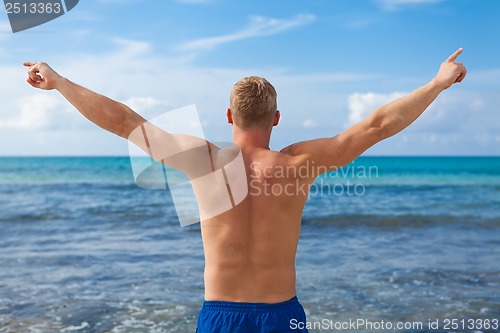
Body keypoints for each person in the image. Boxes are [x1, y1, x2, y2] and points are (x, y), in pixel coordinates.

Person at [24, 48, 466, 333]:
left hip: (220, 316)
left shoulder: (203, 161)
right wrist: (437, 82)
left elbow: (124, 122)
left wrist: (60, 82)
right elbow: (377, 126)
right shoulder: (299, 164)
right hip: (282, 315)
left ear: (229, 116)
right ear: (275, 118)